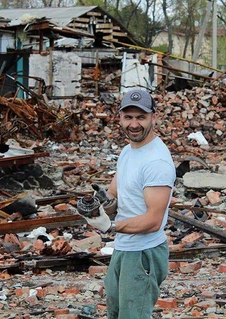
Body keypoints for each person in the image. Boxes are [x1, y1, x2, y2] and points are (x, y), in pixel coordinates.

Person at [80, 88, 176, 319]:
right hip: (124, 248)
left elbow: (153, 221)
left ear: (154, 117)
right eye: (129, 117)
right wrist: (98, 205)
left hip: (144, 252)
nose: (134, 124)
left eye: (141, 117)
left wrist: (110, 227)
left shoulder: (157, 161)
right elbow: (114, 195)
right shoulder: (127, 152)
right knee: (116, 313)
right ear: (120, 118)